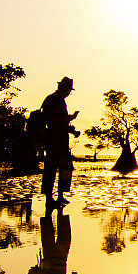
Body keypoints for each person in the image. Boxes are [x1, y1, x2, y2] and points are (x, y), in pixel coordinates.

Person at [41, 76, 80, 206]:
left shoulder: (60, 101)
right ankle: (49, 198)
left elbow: (61, 123)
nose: (69, 93)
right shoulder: (52, 100)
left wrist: (72, 130)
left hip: (62, 141)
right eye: (68, 89)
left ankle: (60, 196)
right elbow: (49, 120)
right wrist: (68, 118)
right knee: (51, 169)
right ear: (61, 88)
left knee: (65, 168)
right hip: (53, 140)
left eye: (70, 90)